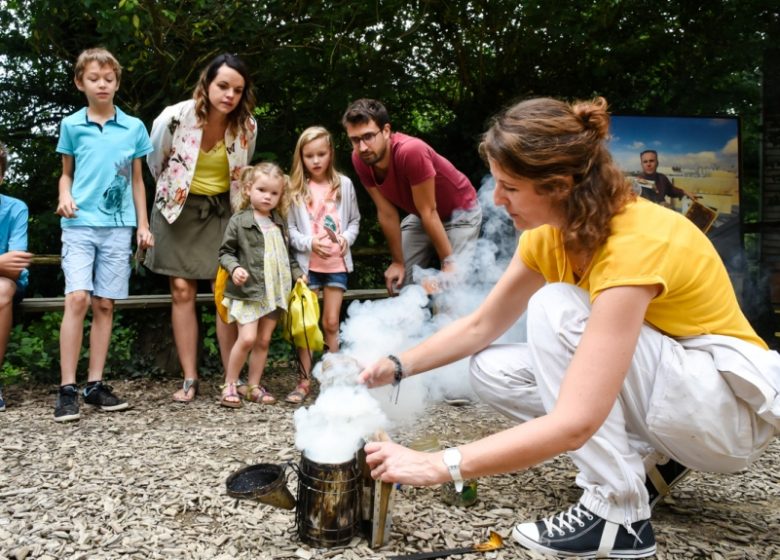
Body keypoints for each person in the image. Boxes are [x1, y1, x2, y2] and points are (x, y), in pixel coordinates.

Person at [359, 97, 780, 558]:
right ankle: (646, 461)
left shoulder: (635, 241)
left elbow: (577, 421)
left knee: (556, 306)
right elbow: (481, 325)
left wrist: (439, 465)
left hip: (724, 414)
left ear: (559, 185)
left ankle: (617, 516)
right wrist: (398, 366)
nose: (497, 201)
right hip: (675, 397)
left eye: (510, 188)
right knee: (490, 369)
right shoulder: (546, 236)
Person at [145, 53, 257, 403]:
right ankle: (190, 378)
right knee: (181, 289)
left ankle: (231, 378)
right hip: (177, 207)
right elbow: (156, 162)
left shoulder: (248, 126)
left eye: (237, 90)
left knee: (225, 290)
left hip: (222, 209)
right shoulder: (173, 119)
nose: (229, 95)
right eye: (222, 86)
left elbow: (244, 167)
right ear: (206, 84)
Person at [54, 48, 154, 422]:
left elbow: (138, 180)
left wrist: (143, 225)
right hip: (79, 223)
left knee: (105, 305)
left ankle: (94, 385)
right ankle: (67, 389)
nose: (102, 84)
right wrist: (64, 194)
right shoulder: (71, 125)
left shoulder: (134, 127)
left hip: (118, 226)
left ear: (117, 82)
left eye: (109, 79)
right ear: (81, 82)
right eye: (94, 78)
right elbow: (66, 173)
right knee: (77, 298)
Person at [342, 99, 481, 295]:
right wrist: (398, 262)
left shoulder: (411, 151)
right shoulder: (360, 159)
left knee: (451, 289)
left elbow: (429, 210)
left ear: (386, 131)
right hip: (422, 214)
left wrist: (448, 263)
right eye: (355, 140)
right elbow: (386, 212)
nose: (362, 147)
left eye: (368, 136)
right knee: (401, 283)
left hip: (460, 213)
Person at [217, 162, 303, 407]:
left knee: (263, 340)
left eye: (274, 193)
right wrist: (235, 269)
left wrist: (297, 274)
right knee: (247, 338)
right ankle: (230, 383)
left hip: (275, 290)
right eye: (262, 190)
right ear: (247, 190)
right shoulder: (239, 221)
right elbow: (225, 253)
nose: (267, 196)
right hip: (248, 291)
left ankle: (253, 386)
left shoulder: (279, 221)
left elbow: (287, 255)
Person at [287, 126, 361, 403]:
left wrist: (345, 239)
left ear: (331, 153)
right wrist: (309, 243)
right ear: (301, 157)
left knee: (331, 323)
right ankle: (304, 380)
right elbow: (291, 231)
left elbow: (354, 221)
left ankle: (333, 380)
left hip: (336, 264)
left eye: (321, 154)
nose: (316, 161)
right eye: (309, 156)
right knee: (306, 325)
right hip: (308, 267)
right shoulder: (296, 188)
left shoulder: (344, 184)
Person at [0, 140, 32, 412]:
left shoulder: (15, 208)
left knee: (1, 289)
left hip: (6, 286)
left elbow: (15, 266)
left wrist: (5, 265)